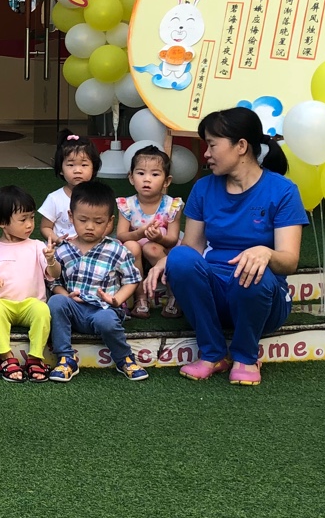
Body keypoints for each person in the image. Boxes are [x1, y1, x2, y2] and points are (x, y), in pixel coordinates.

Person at [151, 107, 307, 387]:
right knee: (181, 257)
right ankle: (212, 354)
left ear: (241, 146)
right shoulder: (203, 188)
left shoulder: (283, 191)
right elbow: (192, 249)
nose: (206, 154)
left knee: (253, 269)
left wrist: (266, 253)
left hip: (262, 301)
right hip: (215, 297)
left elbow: (289, 261)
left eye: (212, 145)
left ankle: (246, 357)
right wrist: (168, 260)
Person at [45, 181, 148, 382]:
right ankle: (65, 358)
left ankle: (124, 358)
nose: (90, 227)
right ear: (71, 217)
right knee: (56, 302)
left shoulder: (116, 250)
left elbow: (132, 279)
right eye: (83, 220)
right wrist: (65, 294)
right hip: (74, 309)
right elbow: (54, 281)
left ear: (110, 222)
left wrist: (117, 300)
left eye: (98, 222)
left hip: (104, 309)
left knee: (105, 320)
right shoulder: (63, 250)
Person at [0, 186, 52, 382]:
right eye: (23, 219)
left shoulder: (37, 246)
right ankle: (6, 357)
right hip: (3, 304)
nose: (29, 224)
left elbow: (53, 274)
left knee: (42, 311)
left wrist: (51, 260)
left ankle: (35, 358)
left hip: (31, 303)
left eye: (32, 218)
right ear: (1, 222)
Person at [116, 144, 183, 318]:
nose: (147, 180)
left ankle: (175, 295)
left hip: (161, 249)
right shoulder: (127, 205)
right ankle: (141, 299)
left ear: (166, 181)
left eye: (155, 174)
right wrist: (139, 233)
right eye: (140, 173)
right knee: (131, 245)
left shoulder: (172, 205)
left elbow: (173, 238)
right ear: (131, 178)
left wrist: (159, 238)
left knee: (151, 248)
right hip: (136, 249)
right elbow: (121, 235)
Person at [39, 130, 100, 245]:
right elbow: (45, 227)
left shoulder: (98, 196)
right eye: (71, 165)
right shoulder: (54, 198)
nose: (77, 170)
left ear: (93, 168)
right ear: (61, 169)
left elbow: (107, 224)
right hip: (62, 248)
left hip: (91, 246)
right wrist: (58, 240)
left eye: (84, 165)